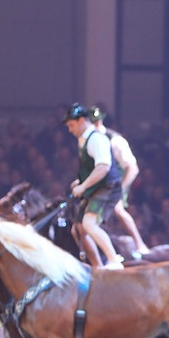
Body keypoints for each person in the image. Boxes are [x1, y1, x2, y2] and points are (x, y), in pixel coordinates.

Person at [62, 104, 124, 269]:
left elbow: (103, 167)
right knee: (78, 228)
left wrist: (83, 187)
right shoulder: (83, 140)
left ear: (82, 120)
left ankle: (114, 261)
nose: (70, 130)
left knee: (89, 224)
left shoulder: (96, 138)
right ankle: (95, 266)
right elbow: (90, 168)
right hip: (96, 188)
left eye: (71, 125)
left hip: (107, 188)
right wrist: (80, 182)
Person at [89, 107, 152, 257]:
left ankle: (140, 244)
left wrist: (121, 188)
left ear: (97, 123)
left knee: (117, 209)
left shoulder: (115, 140)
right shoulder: (92, 142)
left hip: (116, 182)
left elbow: (133, 168)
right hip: (102, 184)